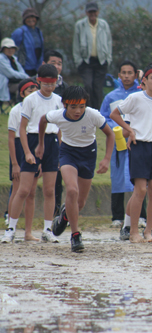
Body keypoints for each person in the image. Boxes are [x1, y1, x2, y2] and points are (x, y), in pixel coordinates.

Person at [40, 86, 113, 252]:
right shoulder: (57, 115)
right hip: (68, 153)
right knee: (72, 191)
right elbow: (42, 121)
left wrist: (106, 159)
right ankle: (75, 235)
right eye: (73, 107)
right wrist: (41, 143)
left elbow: (110, 134)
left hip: (88, 154)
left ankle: (64, 216)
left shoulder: (93, 115)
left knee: (79, 203)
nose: (78, 111)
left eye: (81, 106)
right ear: (65, 105)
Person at [110, 63, 152, 243]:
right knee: (140, 190)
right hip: (139, 146)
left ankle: (149, 231)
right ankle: (133, 231)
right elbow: (114, 114)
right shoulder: (135, 98)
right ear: (144, 80)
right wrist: (130, 129)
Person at [7, 64, 62, 243]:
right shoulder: (31, 100)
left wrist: (60, 150)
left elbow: (60, 128)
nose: (49, 88)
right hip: (32, 141)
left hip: (51, 142)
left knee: (49, 189)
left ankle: (47, 229)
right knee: (23, 190)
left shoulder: (58, 100)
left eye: (52, 84)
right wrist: (27, 152)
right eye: (46, 85)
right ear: (39, 82)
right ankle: (11, 228)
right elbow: (22, 129)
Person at [99, 60, 147, 231]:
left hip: (138, 141)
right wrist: (116, 130)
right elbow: (103, 118)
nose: (127, 76)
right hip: (118, 142)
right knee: (118, 177)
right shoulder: (110, 97)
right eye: (123, 73)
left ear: (136, 75)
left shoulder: (142, 93)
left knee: (140, 178)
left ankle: (142, 216)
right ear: (119, 75)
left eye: (130, 73)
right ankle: (117, 216)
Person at [1, 78, 39, 243]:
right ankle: (11, 228)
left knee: (31, 192)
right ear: (22, 93)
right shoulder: (17, 110)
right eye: (29, 90)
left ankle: (28, 232)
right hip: (19, 148)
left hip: (33, 145)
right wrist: (15, 163)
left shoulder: (39, 109)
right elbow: (11, 139)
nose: (33, 93)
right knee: (18, 190)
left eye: (35, 90)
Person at [41, 50, 68, 217]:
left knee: (56, 179)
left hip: (56, 137)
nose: (56, 66)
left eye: (59, 63)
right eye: (53, 63)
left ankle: (55, 214)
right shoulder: (34, 88)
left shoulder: (64, 91)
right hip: (36, 136)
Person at [73, 1, 112, 109]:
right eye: (90, 12)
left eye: (94, 11)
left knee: (98, 88)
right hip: (86, 61)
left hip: (101, 60)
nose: (92, 14)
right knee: (88, 86)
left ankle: (99, 111)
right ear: (86, 12)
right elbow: (76, 45)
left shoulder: (103, 25)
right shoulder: (80, 25)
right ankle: (88, 109)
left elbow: (109, 42)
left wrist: (108, 59)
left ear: (98, 12)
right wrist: (78, 61)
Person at [11, 8, 44, 76]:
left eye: (33, 17)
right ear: (24, 20)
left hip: (37, 66)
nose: (31, 19)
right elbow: (12, 49)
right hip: (24, 66)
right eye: (28, 17)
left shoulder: (38, 31)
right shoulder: (19, 32)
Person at [0, 38, 30, 112]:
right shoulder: (1, 59)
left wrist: (26, 78)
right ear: (3, 49)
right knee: (22, 87)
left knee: (27, 86)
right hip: (5, 84)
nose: (10, 50)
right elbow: (10, 73)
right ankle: (18, 110)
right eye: (8, 48)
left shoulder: (14, 59)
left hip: (14, 83)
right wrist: (26, 77)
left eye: (12, 48)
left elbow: (21, 71)